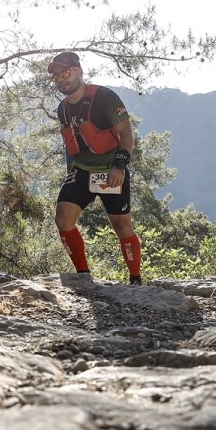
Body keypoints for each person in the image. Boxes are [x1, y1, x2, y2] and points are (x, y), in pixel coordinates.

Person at [49, 51, 142, 285]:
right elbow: (71, 144)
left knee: (122, 226)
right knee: (63, 219)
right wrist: (70, 172)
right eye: (56, 76)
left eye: (66, 73)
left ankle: (135, 279)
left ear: (79, 71)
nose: (61, 79)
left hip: (112, 170)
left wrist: (120, 166)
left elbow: (126, 132)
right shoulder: (63, 109)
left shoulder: (104, 97)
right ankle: (83, 276)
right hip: (81, 170)